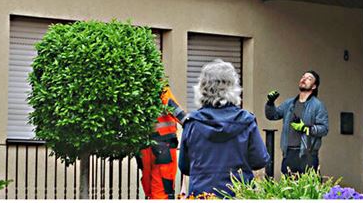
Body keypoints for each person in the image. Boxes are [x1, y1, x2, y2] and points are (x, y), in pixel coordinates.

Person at [179, 60, 270, 198]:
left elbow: (185, 166)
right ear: (233, 87)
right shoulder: (246, 120)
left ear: (202, 88)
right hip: (239, 193)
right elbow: (260, 161)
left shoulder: (192, 122)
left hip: (203, 195)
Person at [264, 70, 329, 174]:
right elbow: (272, 115)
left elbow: (324, 129)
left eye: (309, 78)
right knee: (288, 188)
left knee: (309, 188)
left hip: (308, 155)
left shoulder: (318, 105)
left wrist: (305, 128)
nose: (304, 79)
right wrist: (270, 102)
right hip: (289, 153)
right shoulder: (289, 104)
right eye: (303, 77)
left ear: (314, 86)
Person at [139, 84, 188, 199]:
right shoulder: (158, 86)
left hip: (144, 147)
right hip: (164, 147)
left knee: (149, 187)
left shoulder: (133, 85)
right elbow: (172, 107)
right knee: (163, 191)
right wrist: (190, 123)